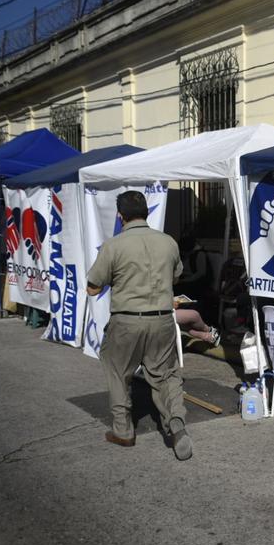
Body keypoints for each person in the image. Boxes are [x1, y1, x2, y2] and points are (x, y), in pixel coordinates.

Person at [86, 191, 193, 461]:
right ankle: (176, 423)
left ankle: (123, 430)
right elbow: (176, 275)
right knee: (166, 375)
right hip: (162, 320)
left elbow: (92, 287)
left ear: (120, 216)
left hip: (126, 320)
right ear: (146, 212)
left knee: (117, 370)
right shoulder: (168, 242)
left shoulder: (113, 246)